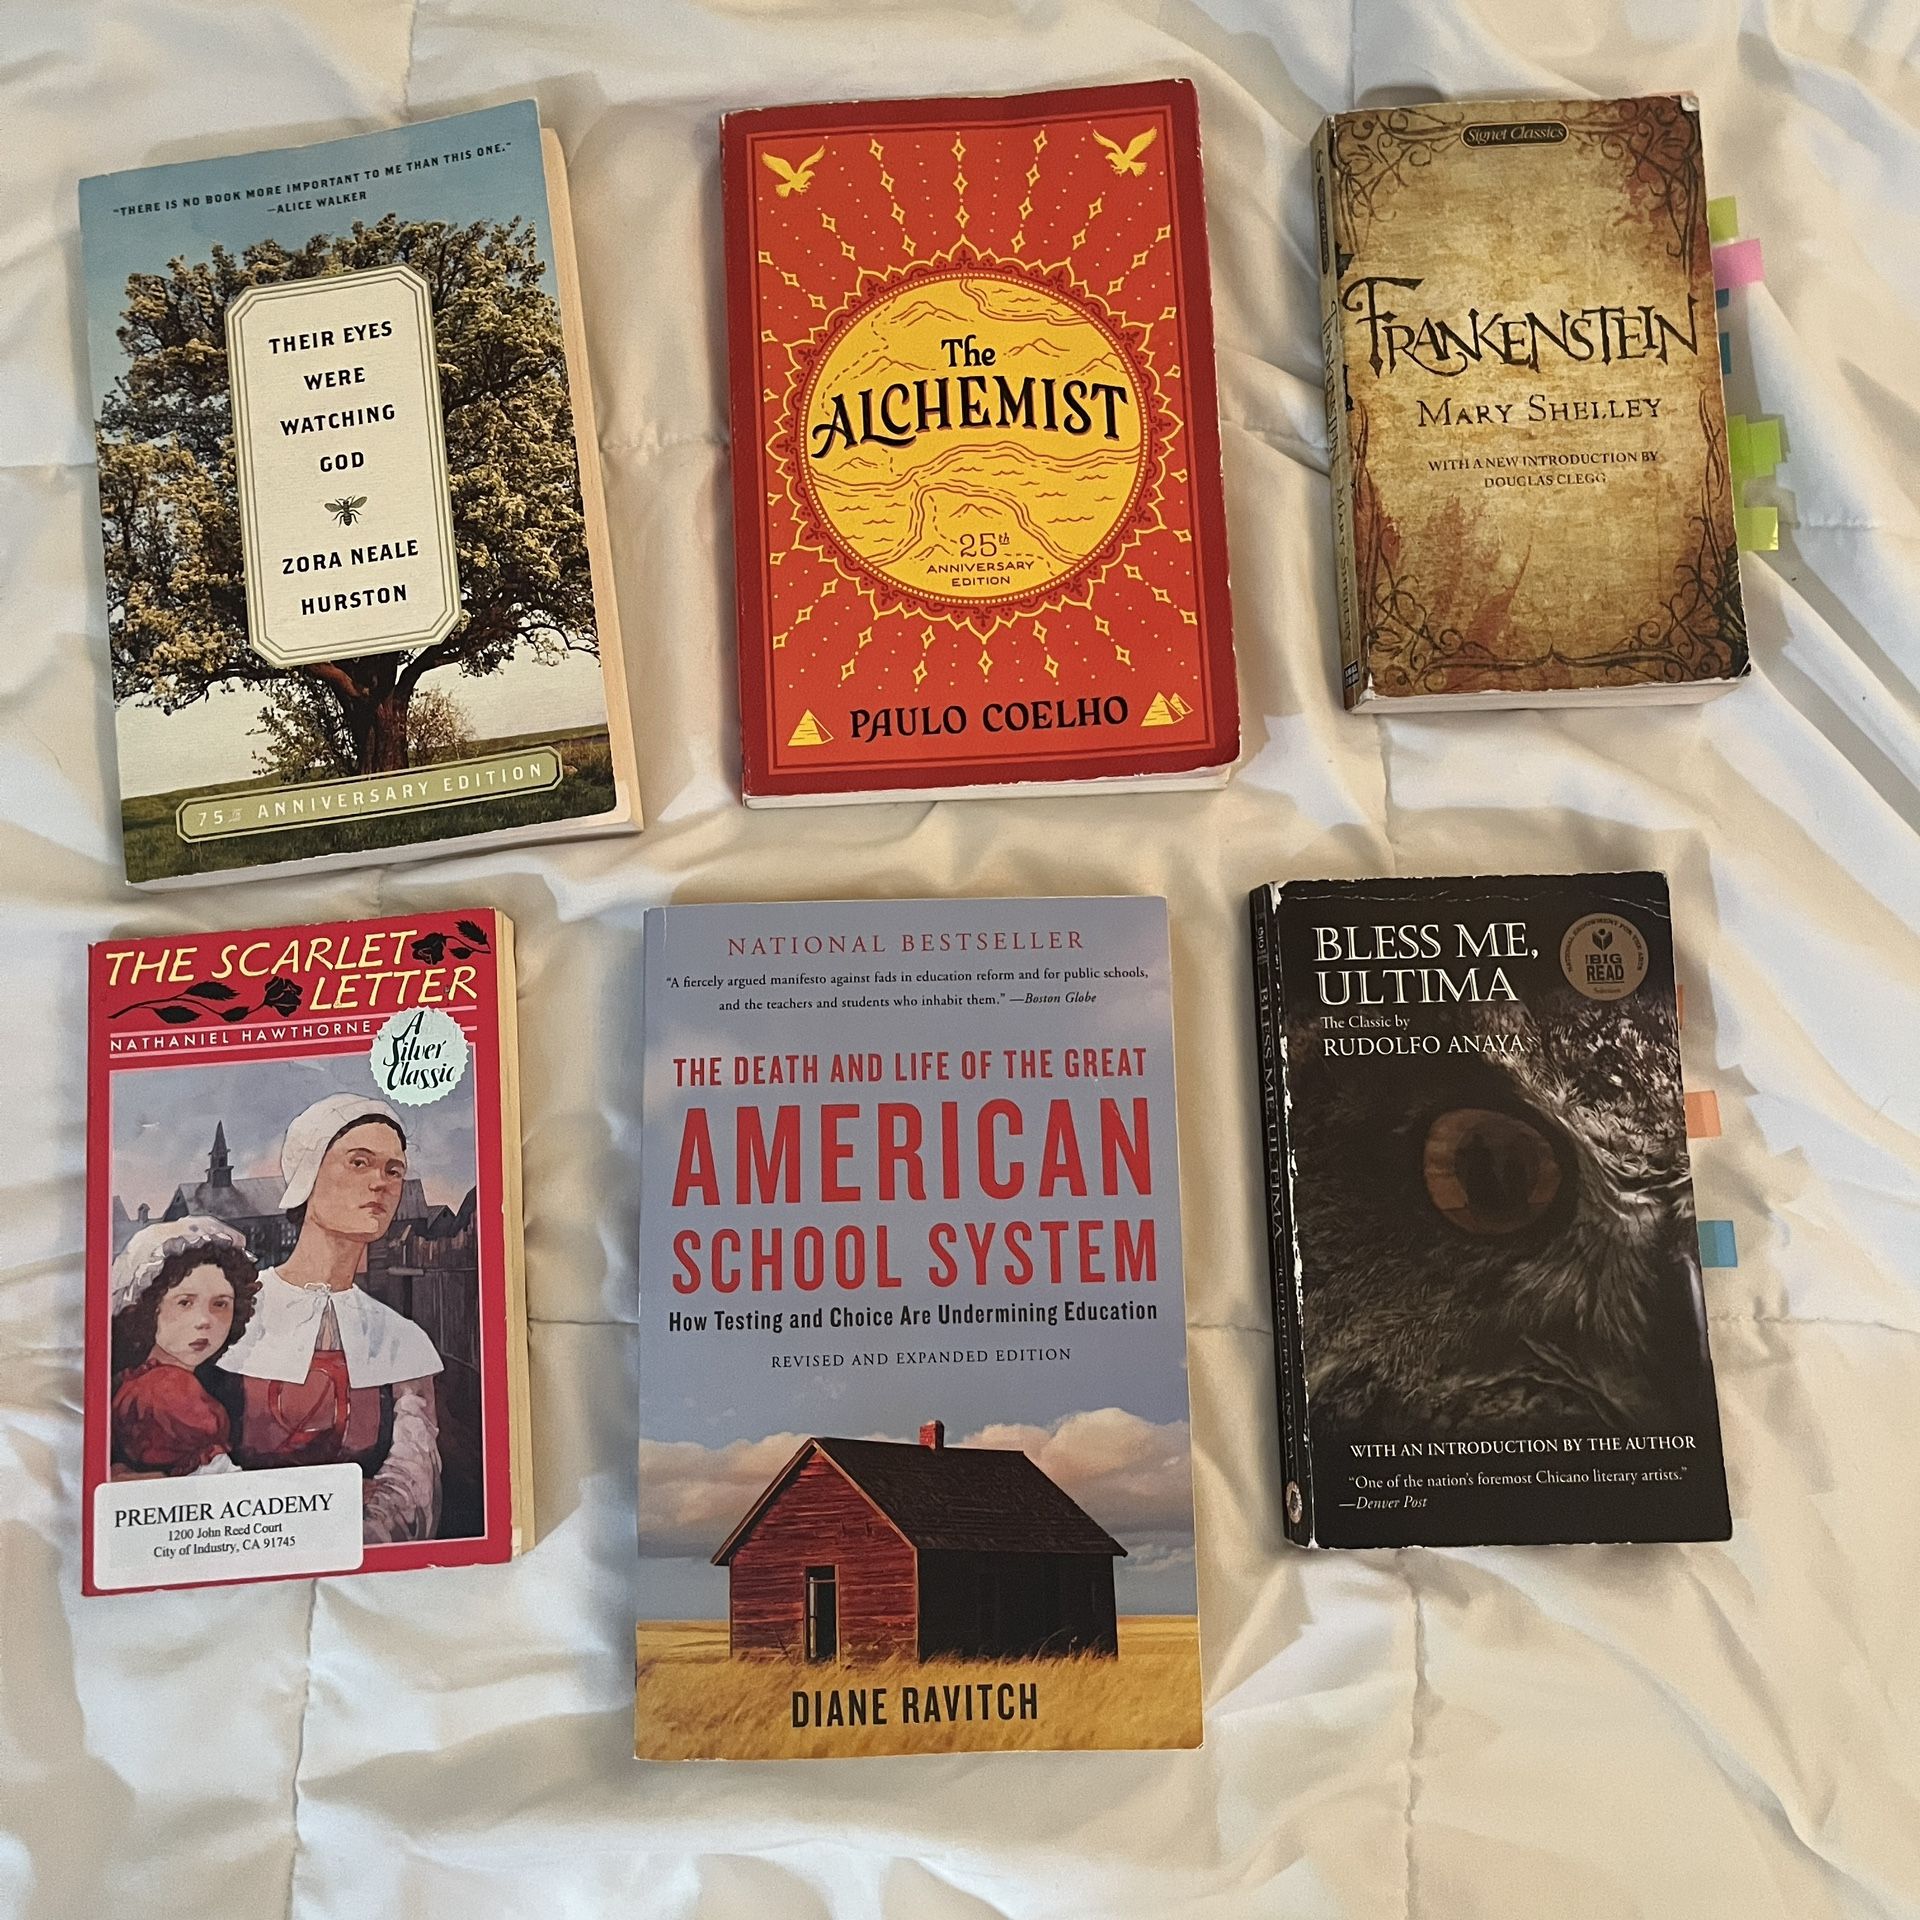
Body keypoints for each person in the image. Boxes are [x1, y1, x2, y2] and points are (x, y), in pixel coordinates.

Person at [218, 1093, 444, 1544]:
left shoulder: (402, 1339)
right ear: (309, 1172)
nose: (380, 1183)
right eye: (359, 1163)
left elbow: (414, 1487)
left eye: (393, 1170)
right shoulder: (227, 1311)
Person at [109, 1217, 260, 1477]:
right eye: (185, 1303)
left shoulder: (142, 1379)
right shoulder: (166, 1388)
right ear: (150, 1308)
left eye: (220, 1304)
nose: (204, 1321)